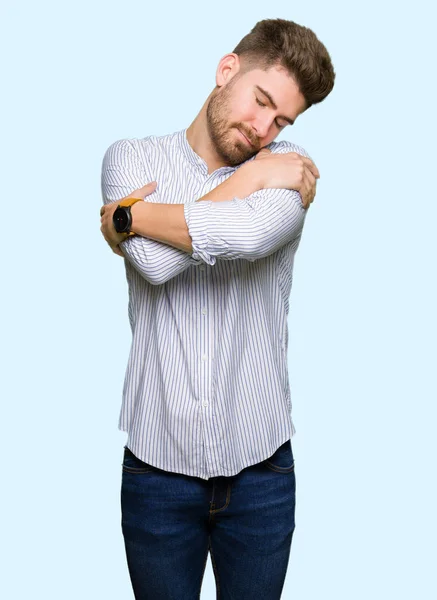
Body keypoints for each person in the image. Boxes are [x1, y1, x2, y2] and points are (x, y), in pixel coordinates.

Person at [99, 17, 335, 600]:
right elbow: (154, 268)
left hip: (262, 475)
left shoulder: (292, 167)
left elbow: (247, 237)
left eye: (281, 119)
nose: (264, 129)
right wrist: (250, 177)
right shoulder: (130, 157)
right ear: (227, 69)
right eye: (261, 102)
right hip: (156, 471)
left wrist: (126, 219)